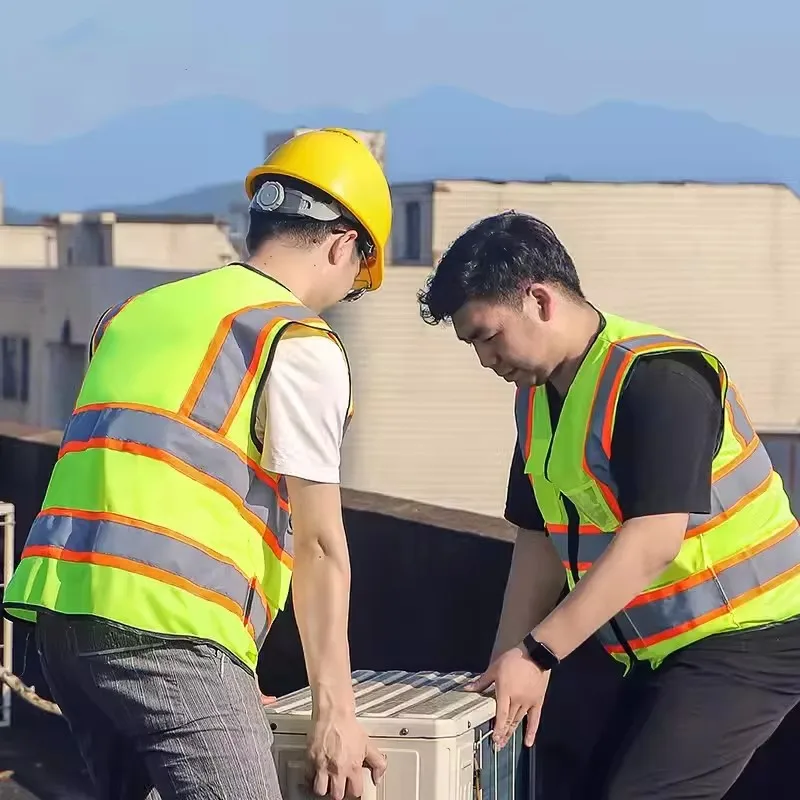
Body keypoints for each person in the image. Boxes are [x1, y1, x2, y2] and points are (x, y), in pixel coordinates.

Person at [3, 128, 392, 800]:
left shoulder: (133, 314)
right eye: (356, 282)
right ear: (342, 246)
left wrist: (229, 678)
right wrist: (336, 711)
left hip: (63, 622)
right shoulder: (295, 339)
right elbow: (320, 544)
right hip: (168, 634)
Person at [416, 210, 800, 800]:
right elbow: (539, 541)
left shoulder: (660, 378)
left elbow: (653, 541)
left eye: (488, 336)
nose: (486, 360)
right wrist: (507, 665)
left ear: (539, 300)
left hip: (753, 635)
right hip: (660, 652)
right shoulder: (536, 400)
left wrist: (539, 653)